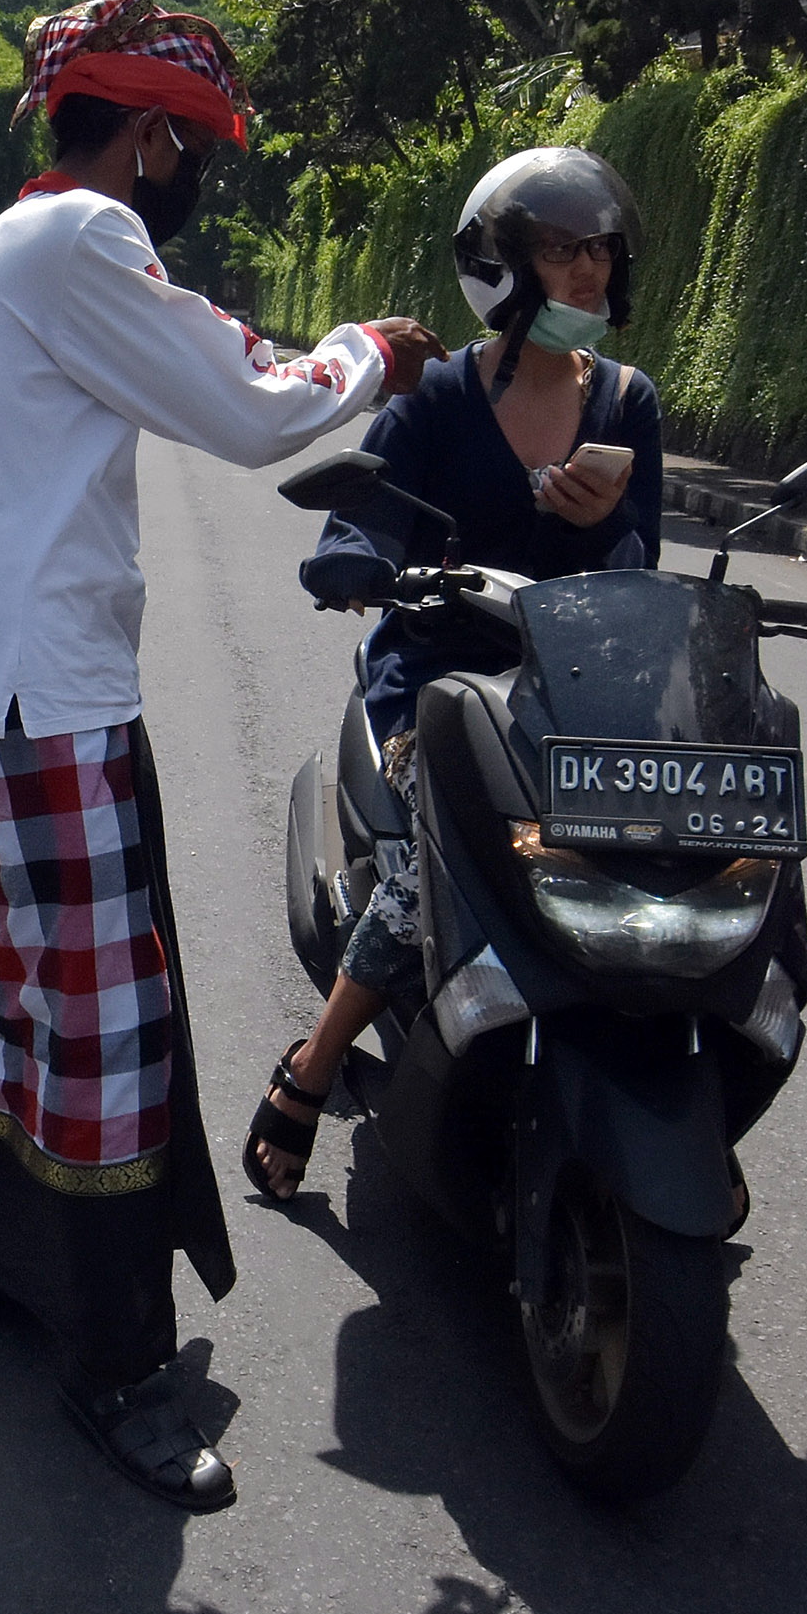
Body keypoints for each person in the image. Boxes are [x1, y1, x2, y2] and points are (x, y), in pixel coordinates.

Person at [0, 0, 436, 1512]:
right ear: (147, 137)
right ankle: (115, 1358)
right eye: (193, 150)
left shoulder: (4, 246)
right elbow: (249, 405)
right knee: (104, 1021)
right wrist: (370, 353)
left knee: (6, 989)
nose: (195, 177)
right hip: (44, 691)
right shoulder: (87, 237)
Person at [242, 146, 669, 1200]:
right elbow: (360, 524)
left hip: (576, 686)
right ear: (502, 267)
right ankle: (317, 1061)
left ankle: (675, 1092)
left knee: (680, 845)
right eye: (561, 250)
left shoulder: (628, 403)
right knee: (433, 863)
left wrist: (604, 526)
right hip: (438, 678)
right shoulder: (435, 397)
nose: (589, 270)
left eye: (600, 249)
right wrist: (356, 566)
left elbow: (643, 566)